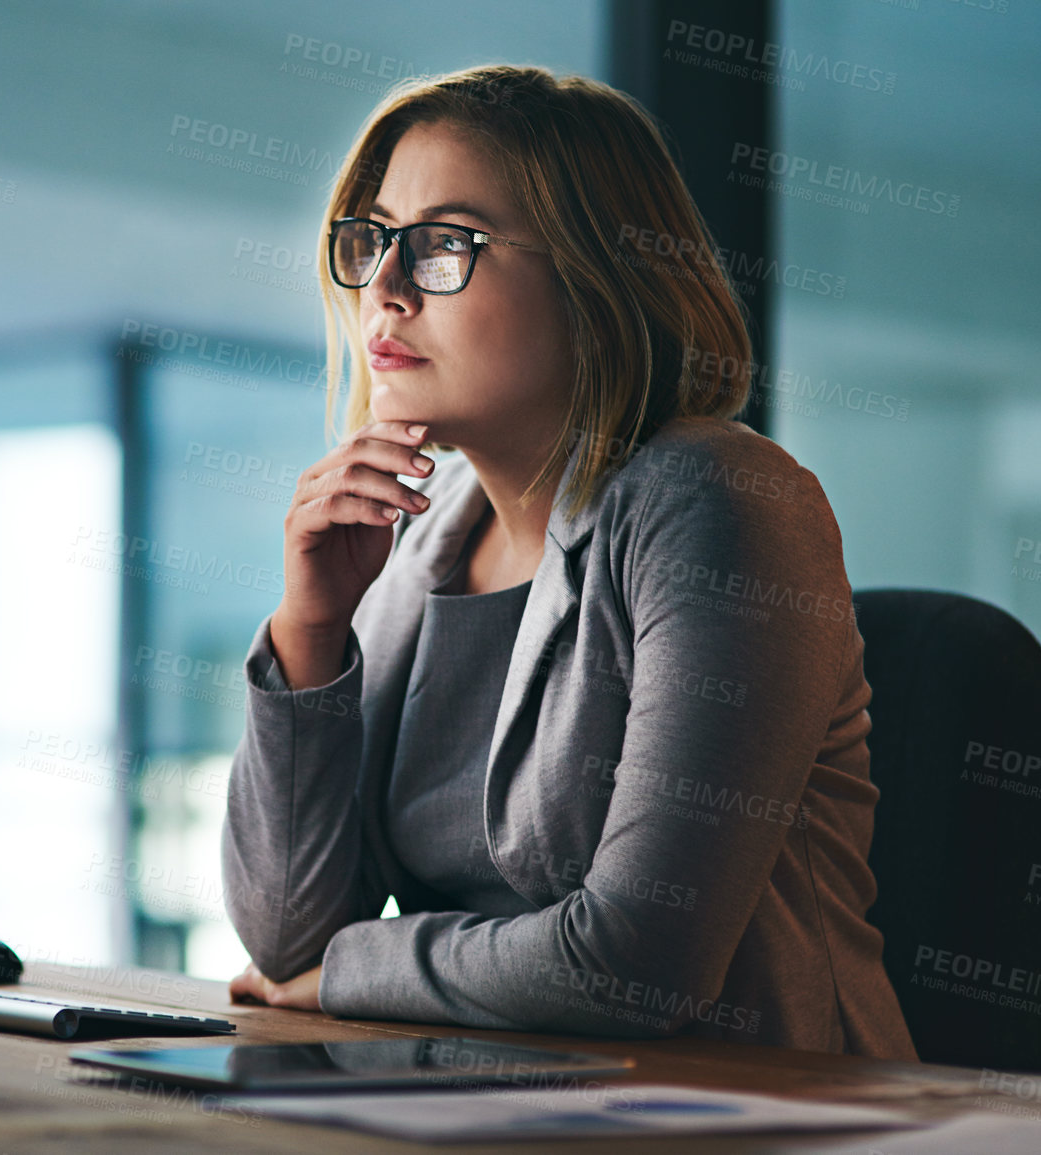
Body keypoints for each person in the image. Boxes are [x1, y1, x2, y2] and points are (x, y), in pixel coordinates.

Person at [220, 65, 916, 1059]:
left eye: (447, 244)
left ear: (597, 275)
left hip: (753, 1116)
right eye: (374, 239)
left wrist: (355, 971)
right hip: (477, 1100)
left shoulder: (718, 501)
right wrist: (311, 632)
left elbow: (636, 963)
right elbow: (285, 938)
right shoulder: (429, 538)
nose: (385, 286)